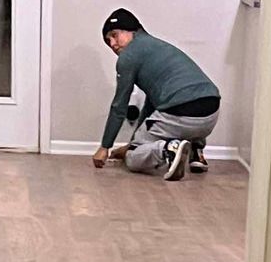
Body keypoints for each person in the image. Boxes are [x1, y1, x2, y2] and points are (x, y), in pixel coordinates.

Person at [92, 9, 221, 181]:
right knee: (187, 99)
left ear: (132, 30)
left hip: (180, 115)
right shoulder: (160, 47)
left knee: (132, 158)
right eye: (108, 41)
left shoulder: (128, 56)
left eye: (115, 35)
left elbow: (119, 106)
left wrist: (105, 147)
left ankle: (168, 149)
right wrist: (134, 142)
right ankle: (196, 153)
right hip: (211, 114)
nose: (113, 44)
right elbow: (152, 106)